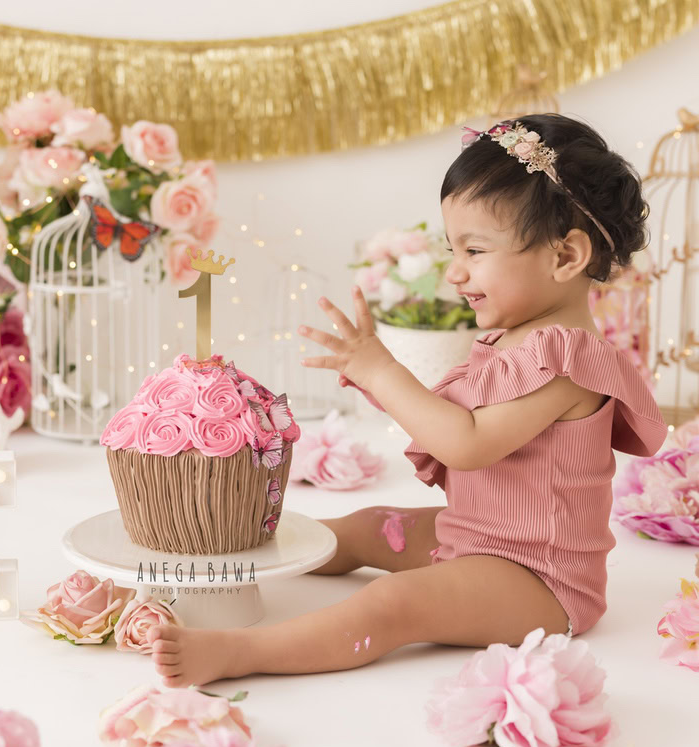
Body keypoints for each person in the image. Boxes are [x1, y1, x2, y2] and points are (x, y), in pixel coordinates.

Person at [147, 113, 666, 687]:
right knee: (373, 524)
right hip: (477, 536)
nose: (454, 274)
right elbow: (457, 416)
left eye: (474, 250)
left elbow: (467, 445)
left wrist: (384, 370)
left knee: (392, 602)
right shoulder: (516, 338)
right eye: (453, 249)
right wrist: (374, 377)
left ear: (565, 257)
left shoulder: (569, 363)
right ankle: (228, 558)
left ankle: (236, 652)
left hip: (539, 578)